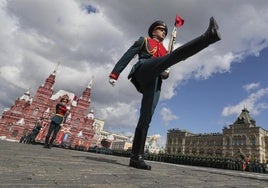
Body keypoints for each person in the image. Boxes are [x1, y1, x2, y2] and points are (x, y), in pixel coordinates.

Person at [109, 17, 221, 170]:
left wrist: (165, 71)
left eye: (165, 31)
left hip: (155, 80)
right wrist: (115, 74)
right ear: (154, 31)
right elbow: (127, 56)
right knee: (174, 56)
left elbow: (164, 74)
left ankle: (136, 157)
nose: (163, 33)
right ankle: (208, 37)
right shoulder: (144, 41)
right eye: (161, 30)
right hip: (143, 70)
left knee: (146, 116)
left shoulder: (164, 50)